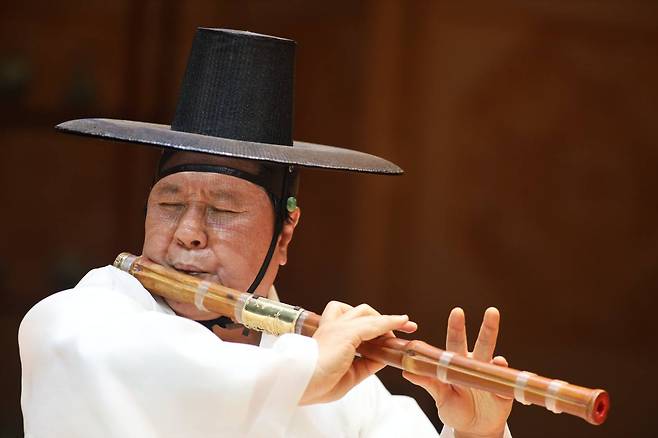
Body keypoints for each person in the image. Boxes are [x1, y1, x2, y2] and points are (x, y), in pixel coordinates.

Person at [19, 28, 513, 437]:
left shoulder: (344, 387)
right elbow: (119, 362)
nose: (188, 233)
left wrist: (478, 433)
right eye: (170, 203)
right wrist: (305, 373)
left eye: (222, 209)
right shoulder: (82, 321)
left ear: (284, 234)